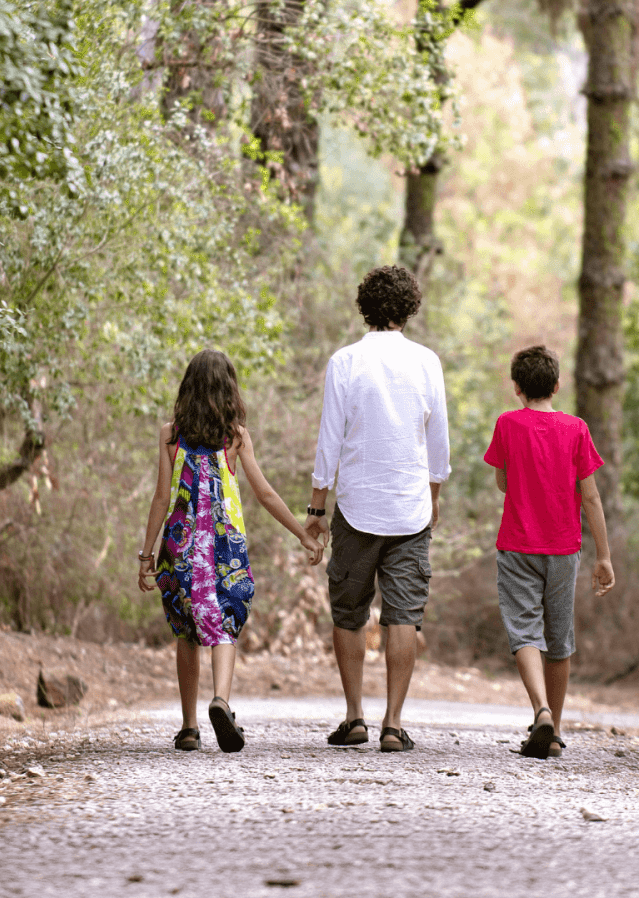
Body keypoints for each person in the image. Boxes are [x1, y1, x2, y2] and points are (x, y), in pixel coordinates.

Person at [139, 349, 323, 753]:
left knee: (186, 629)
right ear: (229, 391)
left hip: (181, 544)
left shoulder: (170, 435)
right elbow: (266, 494)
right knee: (223, 623)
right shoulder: (236, 438)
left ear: (187, 389)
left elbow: (160, 497)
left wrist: (146, 554)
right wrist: (303, 534)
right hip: (225, 546)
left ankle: (189, 728)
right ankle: (221, 700)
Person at [306, 265, 450, 753]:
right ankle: (393, 723)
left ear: (364, 306)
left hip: (356, 506)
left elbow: (330, 438)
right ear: (410, 308)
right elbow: (439, 443)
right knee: (403, 615)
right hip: (409, 509)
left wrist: (316, 508)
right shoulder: (428, 362)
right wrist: (432, 500)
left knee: (349, 612)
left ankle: (354, 717)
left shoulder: (345, 361)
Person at [483, 345, 615, 759]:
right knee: (559, 639)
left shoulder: (507, 424)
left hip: (517, 545)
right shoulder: (577, 429)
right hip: (564, 548)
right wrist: (604, 557)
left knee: (524, 632)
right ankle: (553, 731)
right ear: (557, 385)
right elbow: (591, 498)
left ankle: (539, 709)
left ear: (517, 388)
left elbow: (503, 483)